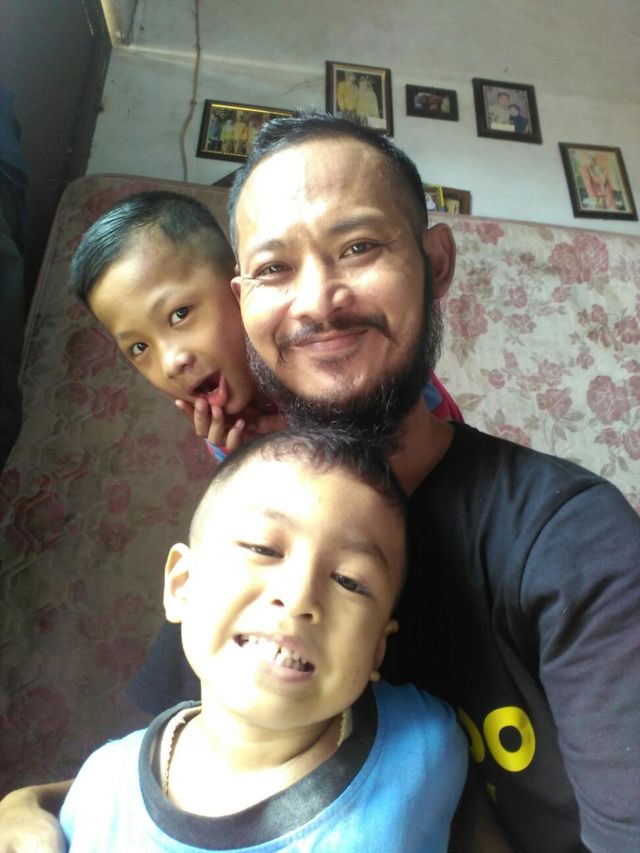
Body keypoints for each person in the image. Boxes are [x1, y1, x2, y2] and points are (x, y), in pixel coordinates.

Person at [215, 113, 637, 853]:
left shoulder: (572, 539)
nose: (317, 302)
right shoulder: (237, 531)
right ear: (242, 301)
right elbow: (168, 769)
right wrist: (35, 803)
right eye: (274, 268)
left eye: (359, 247)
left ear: (436, 263)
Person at [58, 427, 468, 851]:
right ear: (182, 584)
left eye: (349, 580)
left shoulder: (427, 742)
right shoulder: (99, 789)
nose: (298, 596)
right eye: (263, 548)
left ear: (378, 647)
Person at [67, 191, 461, 458]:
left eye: (179, 314)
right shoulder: (230, 432)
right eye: (138, 348)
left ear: (244, 287)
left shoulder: (330, 345)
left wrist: (312, 434)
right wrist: (248, 462)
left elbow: (426, 438)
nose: (171, 362)